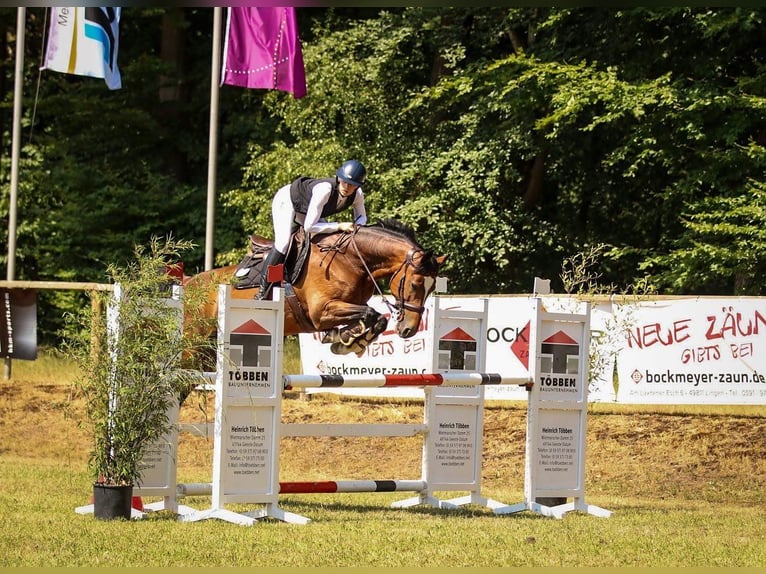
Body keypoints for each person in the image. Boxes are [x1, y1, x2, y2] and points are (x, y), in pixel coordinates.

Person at [257, 159, 368, 299]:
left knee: (325, 240)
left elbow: (362, 218)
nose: (346, 187)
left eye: (352, 185)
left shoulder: (357, 195)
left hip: (308, 210)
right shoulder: (325, 190)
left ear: (358, 186)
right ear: (339, 178)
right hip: (288, 200)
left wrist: (358, 230)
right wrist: (339, 226)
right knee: (283, 243)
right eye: (344, 181)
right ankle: (263, 290)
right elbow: (310, 226)